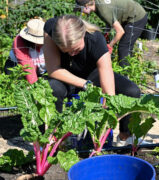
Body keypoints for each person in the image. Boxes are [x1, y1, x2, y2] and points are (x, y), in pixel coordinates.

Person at [43, 14, 141, 145]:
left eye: (76, 50)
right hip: (64, 76)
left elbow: (108, 85)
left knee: (132, 91)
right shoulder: (51, 29)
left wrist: (108, 112)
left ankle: (125, 136)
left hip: (91, 74)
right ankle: (54, 139)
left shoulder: (95, 39)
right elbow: (53, 69)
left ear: (83, 34)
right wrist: (85, 84)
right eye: (66, 51)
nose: (71, 54)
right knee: (52, 89)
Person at [75, 0, 148, 67]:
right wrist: (106, 35)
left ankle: (126, 73)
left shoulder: (103, 10)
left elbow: (120, 31)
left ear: (86, 6)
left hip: (137, 16)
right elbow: (110, 20)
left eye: (80, 10)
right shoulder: (97, 5)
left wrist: (110, 45)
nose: (82, 12)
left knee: (124, 47)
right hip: (129, 14)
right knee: (124, 45)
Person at [4, 18, 46, 84]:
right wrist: (34, 87)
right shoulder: (19, 42)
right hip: (17, 67)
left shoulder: (51, 41)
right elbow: (27, 65)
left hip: (41, 70)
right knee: (17, 84)